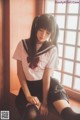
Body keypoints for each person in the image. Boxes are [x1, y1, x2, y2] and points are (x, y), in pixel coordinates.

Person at [13, 14, 80, 120]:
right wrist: (28, 96)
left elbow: (46, 77)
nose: (43, 35)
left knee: (70, 116)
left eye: (48, 33)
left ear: (52, 34)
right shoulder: (22, 44)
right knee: (30, 115)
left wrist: (44, 102)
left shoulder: (52, 49)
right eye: (41, 30)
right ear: (36, 27)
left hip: (49, 87)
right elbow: (20, 74)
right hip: (29, 88)